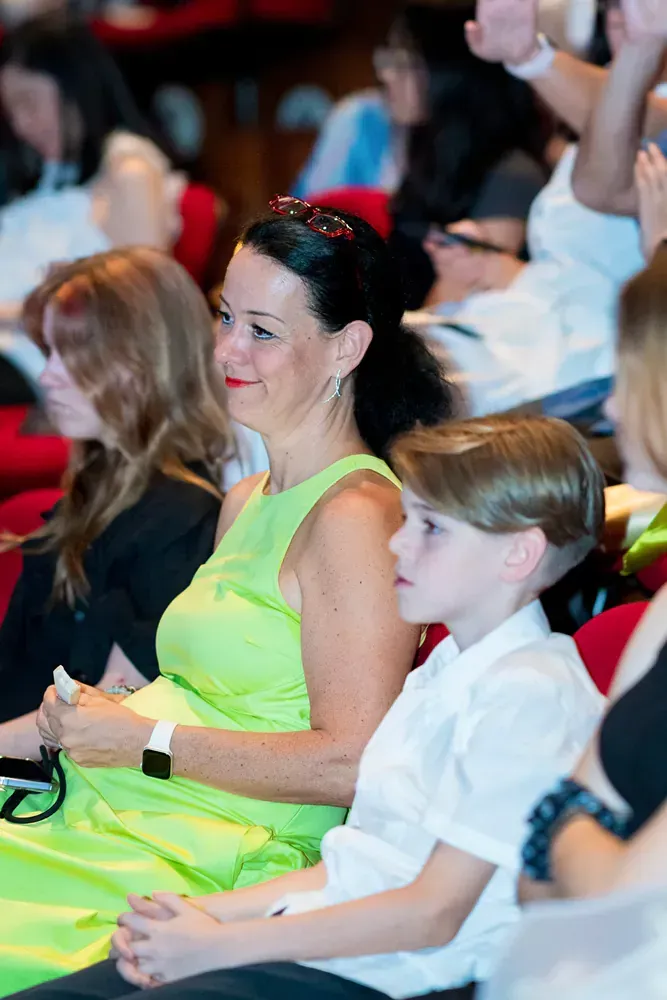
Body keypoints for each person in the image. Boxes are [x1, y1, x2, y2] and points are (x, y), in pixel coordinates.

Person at [0, 197, 452, 995]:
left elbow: (352, 762)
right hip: (129, 806)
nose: (228, 350)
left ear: (346, 347)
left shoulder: (355, 514)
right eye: (225, 317)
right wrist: (100, 724)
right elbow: (202, 695)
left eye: (263, 332)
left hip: (215, 848)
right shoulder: (248, 498)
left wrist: (144, 740)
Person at [11, 414, 607, 1000]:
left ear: (518, 555)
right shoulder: (450, 673)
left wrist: (219, 942)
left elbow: (431, 916)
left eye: (430, 528)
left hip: (390, 970)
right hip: (324, 933)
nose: (396, 541)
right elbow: (357, 859)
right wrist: (191, 915)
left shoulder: (529, 692)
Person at [0, 248, 230, 749]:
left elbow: (102, 718)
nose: (46, 377)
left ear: (142, 365)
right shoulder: (99, 482)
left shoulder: (181, 520)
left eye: (74, 359)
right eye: (49, 354)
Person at [416, 0, 650, 418]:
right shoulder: (591, 131)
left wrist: (531, 57)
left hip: (588, 363)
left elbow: (602, 186)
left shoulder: (635, 123)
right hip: (529, 324)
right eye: (614, 5)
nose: (621, 15)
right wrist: (499, 267)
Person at [295, 2, 548, 309]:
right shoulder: (431, 156)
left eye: (405, 63)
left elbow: (458, 304)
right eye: (387, 58)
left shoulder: (510, 175)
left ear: (453, 75)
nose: (386, 74)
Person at [0, 11, 184, 397]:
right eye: (11, 109)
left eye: (29, 103)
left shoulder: (128, 171)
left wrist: (14, 312)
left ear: (75, 89)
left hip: (55, 362)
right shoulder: (47, 175)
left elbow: (140, 310)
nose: (20, 124)